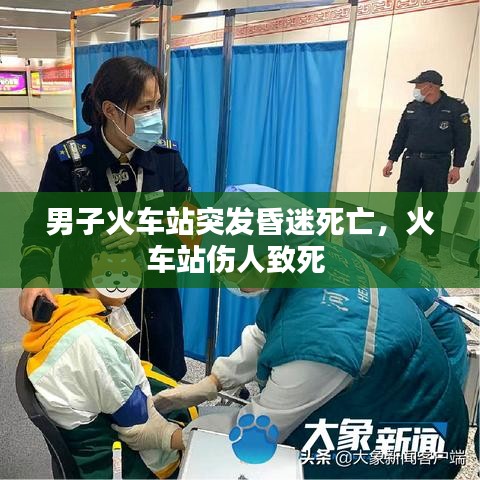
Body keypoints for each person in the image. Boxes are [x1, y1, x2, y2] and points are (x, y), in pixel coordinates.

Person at [114, 185, 469, 479]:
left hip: (411, 442)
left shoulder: (320, 345)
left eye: (228, 264)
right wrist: (213, 382)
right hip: (395, 391)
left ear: (269, 257)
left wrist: (172, 437)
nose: (223, 276)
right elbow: (268, 331)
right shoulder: (313, 258)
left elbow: (259, 430)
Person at [19, 56, 191, 380]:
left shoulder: (166, 160)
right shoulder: (70, 163)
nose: (155, 116)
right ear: (111, 110)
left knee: (162, 390)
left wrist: (147, 232)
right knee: (99, 389)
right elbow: (41, 232)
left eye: (157, 105)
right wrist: (35, 278)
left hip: (157, 311)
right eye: (144, 107)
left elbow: (192, 231)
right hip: (91, 315)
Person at [23, 232, 197, 479]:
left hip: (94, 436)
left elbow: (190, 236)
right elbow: (140, 430)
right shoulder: (94, 344)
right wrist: (192, 442)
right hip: (118, 462)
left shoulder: (66, 318)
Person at [343, 221, 469, 387]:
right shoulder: (409, 268)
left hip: (438, 378)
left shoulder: (403, 293)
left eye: (355, 261)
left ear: (379, 263)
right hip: (448, 356)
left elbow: (380, 344)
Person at [383, 70, 471, 269]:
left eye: (418, 85)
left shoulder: (455, 108)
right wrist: (391, 159)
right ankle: (399, 244)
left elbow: (463, 140)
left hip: (437, 165)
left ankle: (430, 251)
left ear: (430, 86)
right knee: (403, 206)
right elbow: (400, 136)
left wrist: (457, 167)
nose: (415, 89)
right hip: (411, 162)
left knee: (433, 209)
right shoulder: (412, 108)